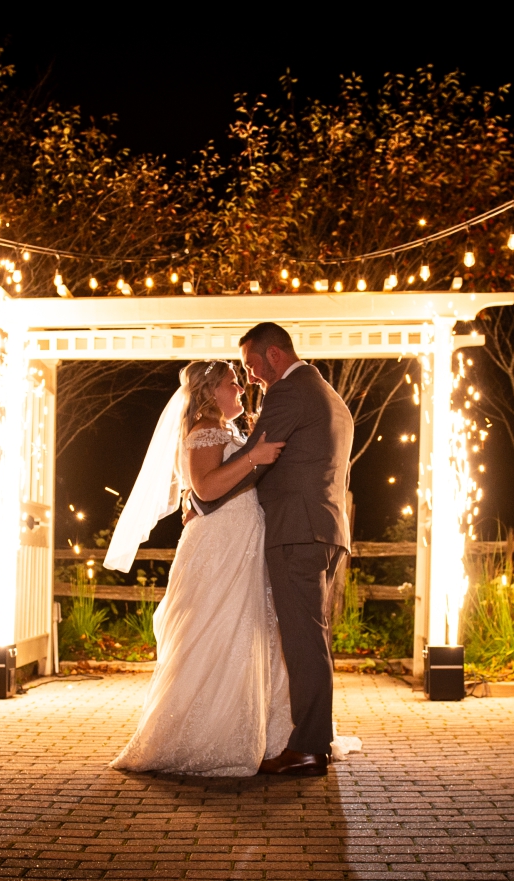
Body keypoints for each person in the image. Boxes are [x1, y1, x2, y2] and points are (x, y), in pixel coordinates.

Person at [107, 359, 293, 776]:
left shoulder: (227, 431)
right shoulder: (203, 431)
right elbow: (207, 485)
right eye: (233, 384)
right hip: (219, 545)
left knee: (247, 629)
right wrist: (255, 456)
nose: (240, 391)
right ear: (211, 391)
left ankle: (254, 729)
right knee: (215, 628)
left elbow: (210, 488)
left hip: (240, 538)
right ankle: (204, 735)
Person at [189, 322, 354, 777]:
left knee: (303, 640)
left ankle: (308, 747)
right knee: (309, 637)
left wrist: (205, 500)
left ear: (274, 355)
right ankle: (312, 738)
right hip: (323, 527)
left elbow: (262, 456)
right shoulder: (328, 394)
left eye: (251, 366)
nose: (250, 377)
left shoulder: (288, 393)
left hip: (296, 530)